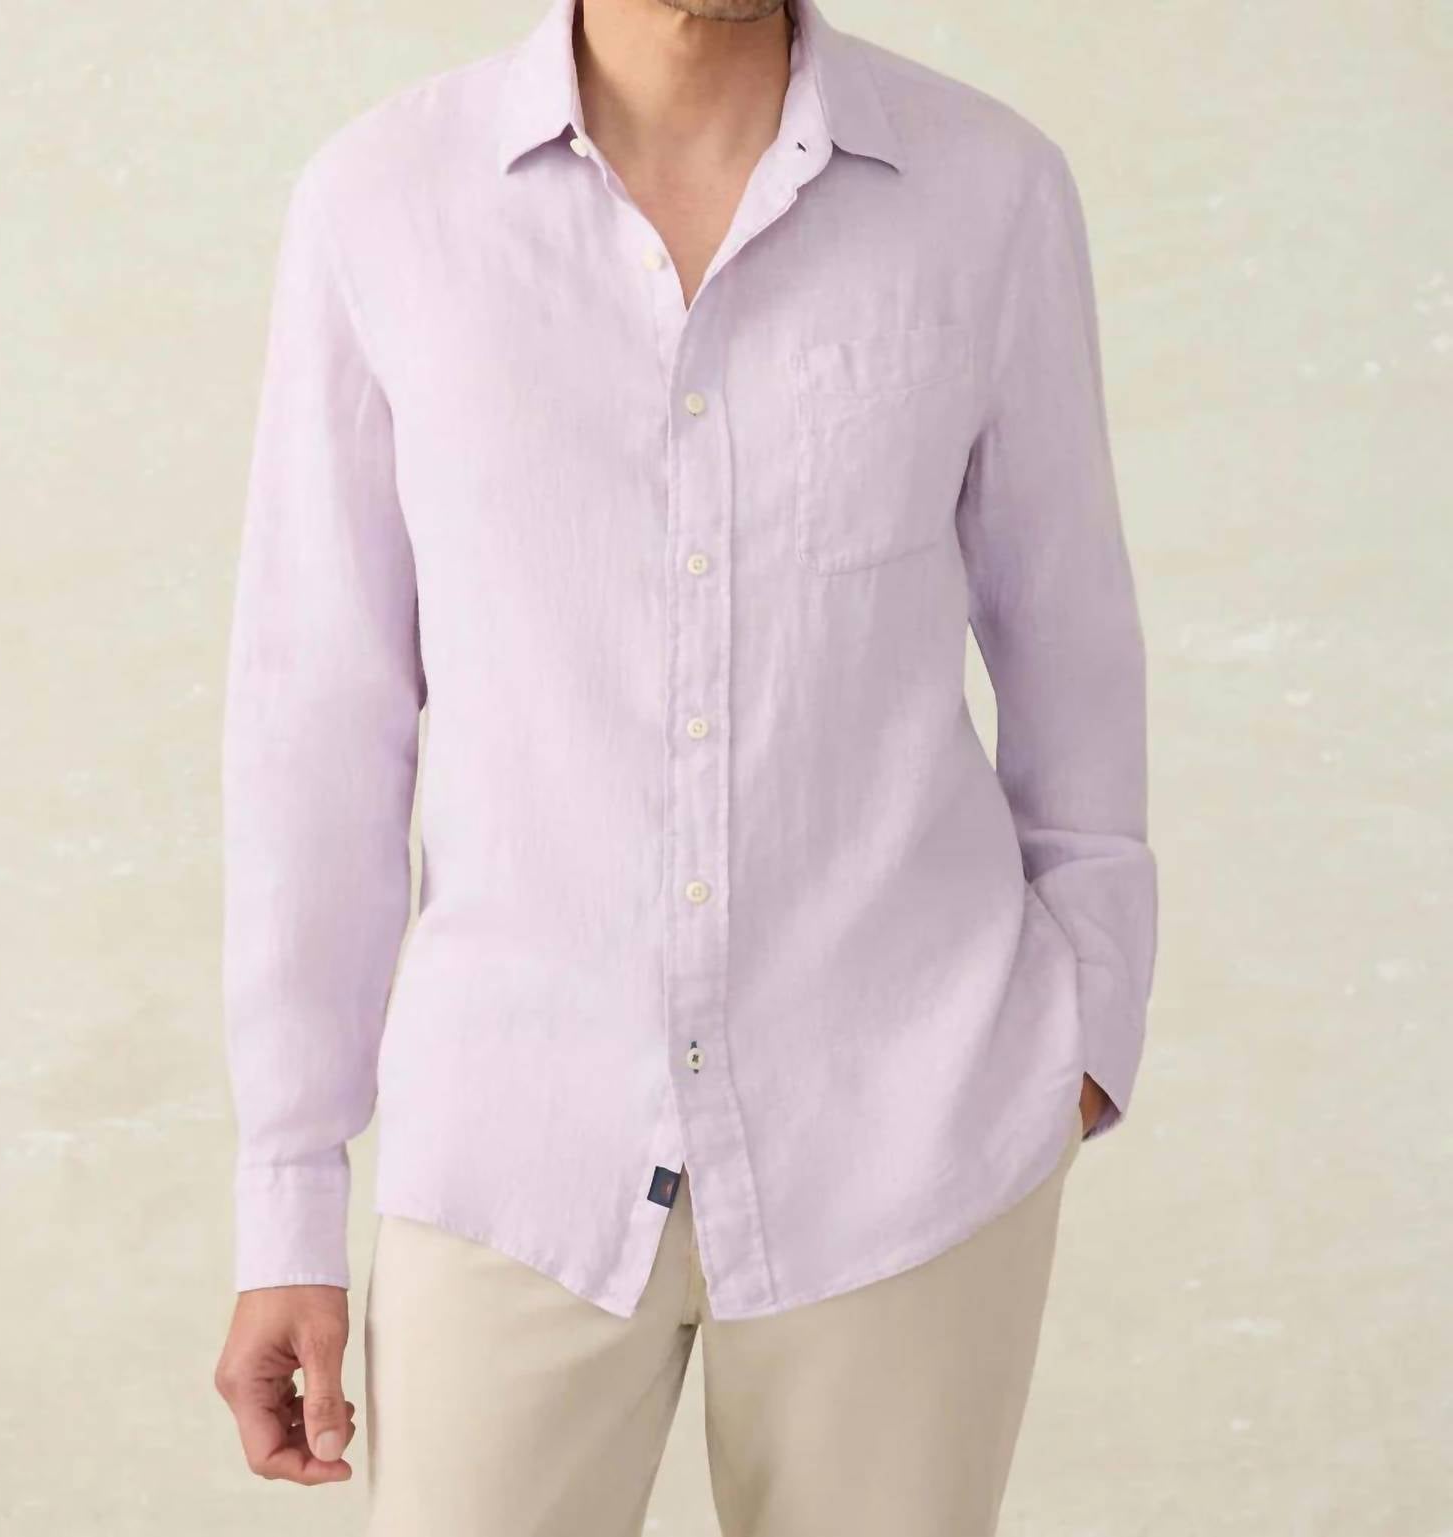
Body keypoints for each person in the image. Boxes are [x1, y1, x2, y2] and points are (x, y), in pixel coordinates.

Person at [211, 0, 1159, 1530]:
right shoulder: (381, 204)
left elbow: (1074, 644)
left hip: (912, 1132)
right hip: (512, 1146)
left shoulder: (991, 192)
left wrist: (1086, 1031)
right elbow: (318, 720)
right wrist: (288, 1197)